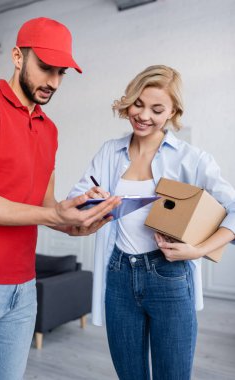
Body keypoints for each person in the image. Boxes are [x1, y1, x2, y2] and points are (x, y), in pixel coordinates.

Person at [68, 65, 235, 380]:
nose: (144, 115)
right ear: (128, 101)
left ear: (173, 112)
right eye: (138, 104)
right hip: (118, 275)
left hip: (169, 277)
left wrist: (198, 250)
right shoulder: (109, 152)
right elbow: (74, 202)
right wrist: (90, 198)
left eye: (157, 109)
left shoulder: (191, 158)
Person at [0, 17, 121, 380]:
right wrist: (54, 216)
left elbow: (45, 206)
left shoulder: (49, 130)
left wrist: (75, 222)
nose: (54, 82)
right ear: (16, 56)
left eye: (61, 72)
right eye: (45, 68)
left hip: (23, 288)